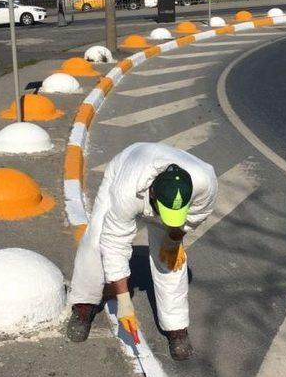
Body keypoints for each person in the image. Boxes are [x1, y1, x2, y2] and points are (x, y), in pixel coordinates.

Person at [67, 143, 218, 361]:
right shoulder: (126, 192)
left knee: (172, 262)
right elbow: (114, 243)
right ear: (153, 193)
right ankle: (83, 305)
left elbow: (194, 217)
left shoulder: (205, 184)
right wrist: (123, 300)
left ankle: (176, 327)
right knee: (96, 242)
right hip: (127, 170)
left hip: (170, 192)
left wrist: (173, 239)